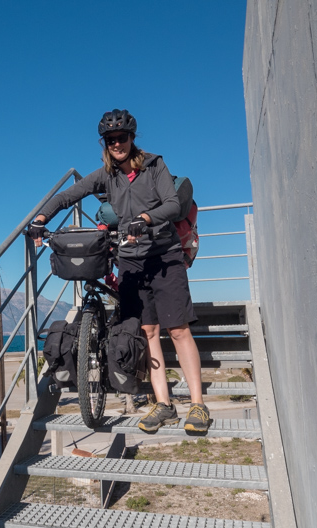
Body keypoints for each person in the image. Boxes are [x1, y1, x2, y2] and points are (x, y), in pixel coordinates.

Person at [27, 109, 210, 433]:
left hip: (164, 256)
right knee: (148, 332)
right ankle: (163, 404)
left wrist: (146, 219)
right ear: (105, 143)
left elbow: (170, 202)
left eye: (121, 138)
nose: (117, 144)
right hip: (130, 262)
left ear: (131, 138)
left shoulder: (154, 166)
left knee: (178, 330)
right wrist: (41, 220)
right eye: (110, 140)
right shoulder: (105, 176)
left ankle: (197, 405)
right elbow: (68, 196)